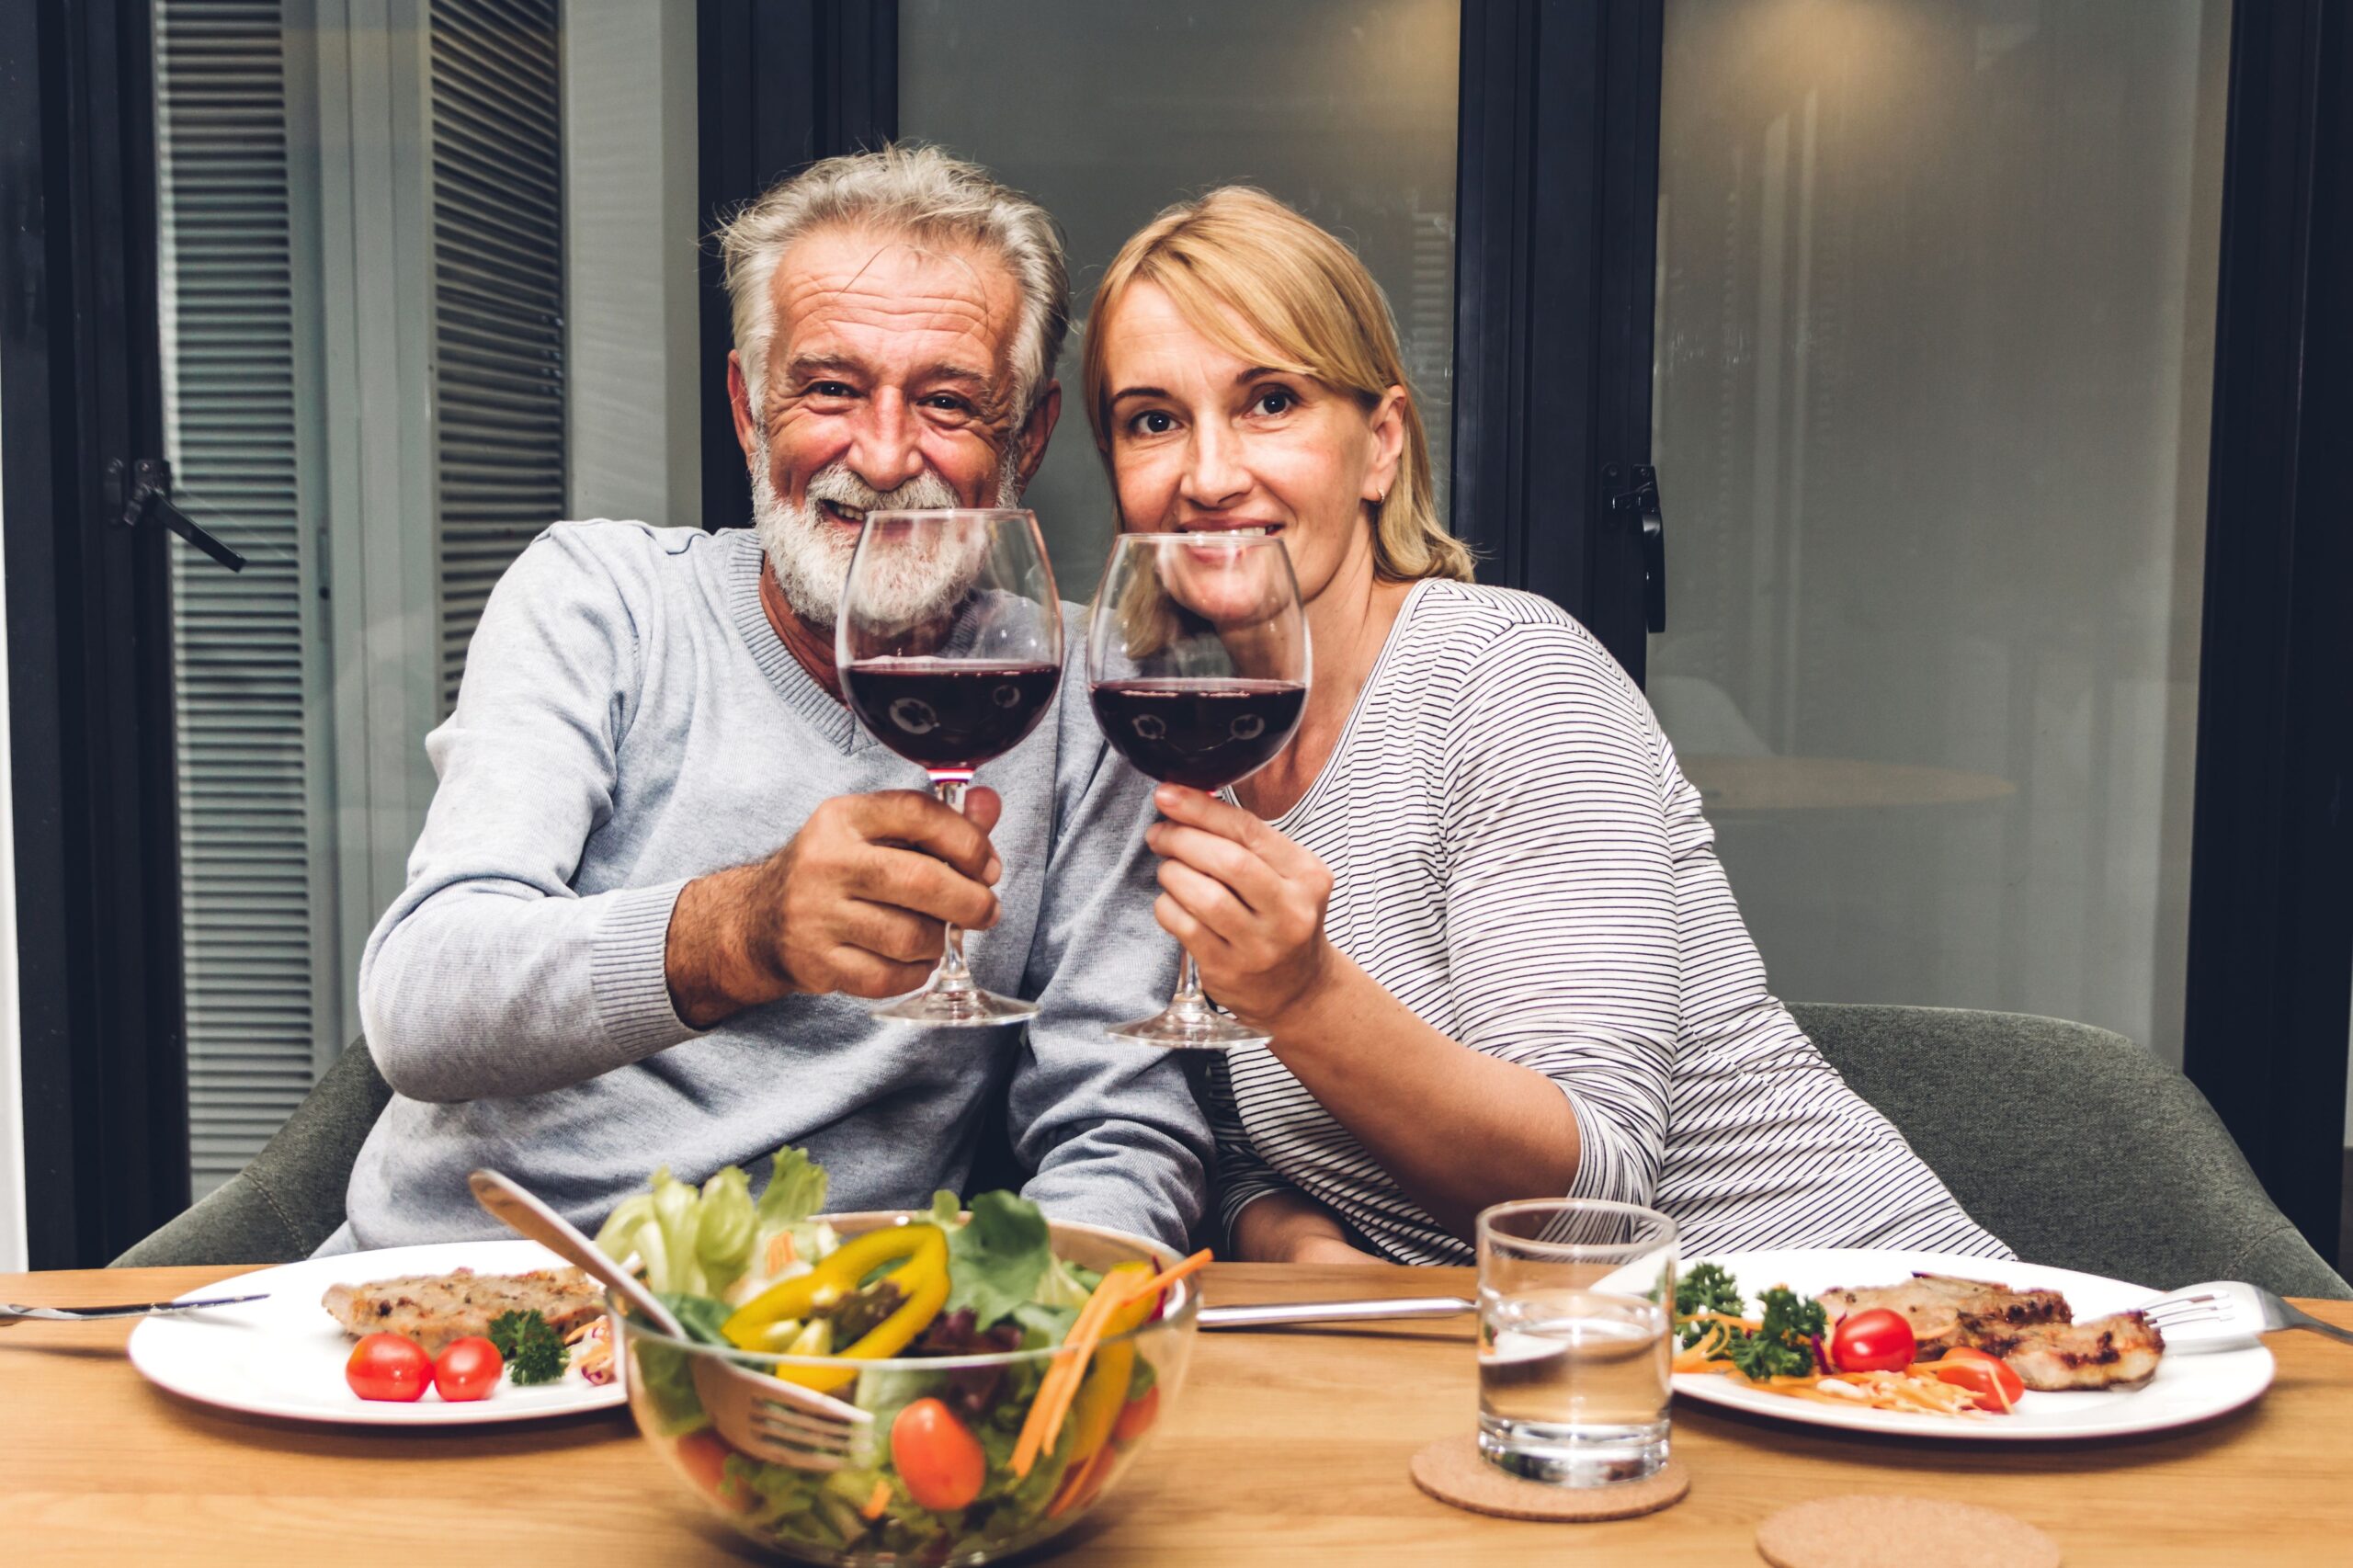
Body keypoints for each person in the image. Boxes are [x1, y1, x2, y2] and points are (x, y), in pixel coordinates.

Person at [1082, 187, 2008, 1266]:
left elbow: (1591, 1198)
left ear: (1380, 445)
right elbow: (1235, 1128)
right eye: (1153, 420)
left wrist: (1306, 993)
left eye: (1270, 401)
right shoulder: (1182, 738)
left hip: (1838, 1320)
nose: (1206, 473)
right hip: (1536, 1379)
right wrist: (1297, 1244)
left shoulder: (1506, 673)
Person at [325, 146, 1209, 1255]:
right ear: (749, 409)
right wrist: (740, 929)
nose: (884, 455)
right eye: (830, 387)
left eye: (946, 401)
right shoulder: (600, 598)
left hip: (821, 1347)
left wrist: (1028, 1340)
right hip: (474, 1302)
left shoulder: (1087, 695)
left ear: (1022, 440)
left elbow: (1118, 1124)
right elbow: (423, 1001)